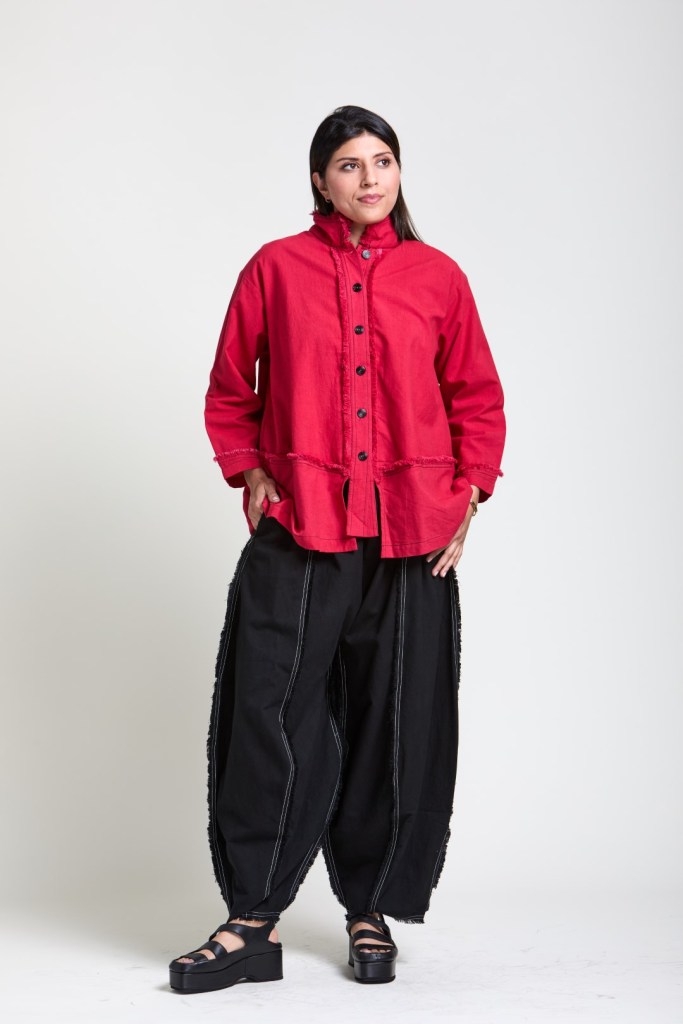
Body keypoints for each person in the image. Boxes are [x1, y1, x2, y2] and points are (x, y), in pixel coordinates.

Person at [169, 104, 506, 992]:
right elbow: (228, 387)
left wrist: (470, 493)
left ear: (399, 172)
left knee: (392, 720)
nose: (369, 178)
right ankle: (252, 920)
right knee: (268, 710)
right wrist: (249, 469)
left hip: (411, 532)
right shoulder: (274, 269)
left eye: (383, 161)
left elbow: (475, 395)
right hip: (303, 520)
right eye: (350, 164)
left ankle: (369, 908)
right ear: (319, 179)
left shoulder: (437, 276)